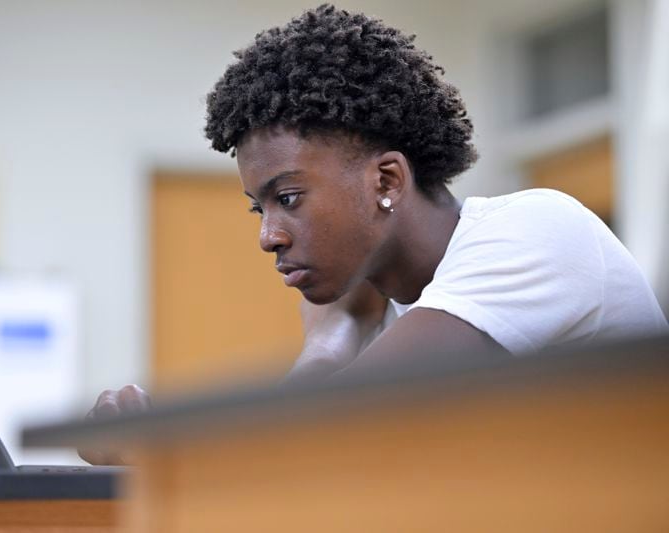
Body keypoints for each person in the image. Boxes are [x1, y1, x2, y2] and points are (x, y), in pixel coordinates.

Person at [79, 4, 668, 465]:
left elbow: (331, 421)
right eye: (256, 210)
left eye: (288, 199)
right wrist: (329, 342)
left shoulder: (536, 231)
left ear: (386, 178)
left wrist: (160, 444)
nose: (268, 237)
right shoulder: (373, 300)